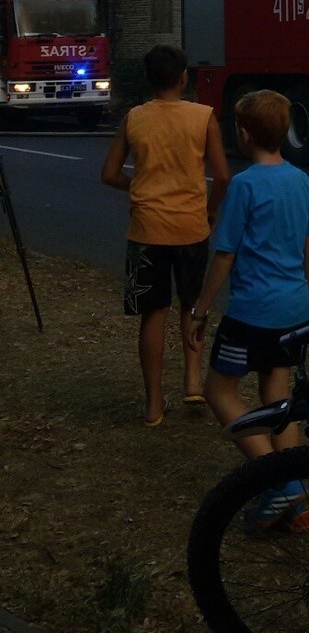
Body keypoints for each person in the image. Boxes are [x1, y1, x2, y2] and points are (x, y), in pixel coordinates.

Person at [187, 89, 309, 530]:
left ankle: (282, 487)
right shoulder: (300, 180)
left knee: (219, 392)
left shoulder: (243, 185)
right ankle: (297, 500)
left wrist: (200, 310)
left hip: (251, 314)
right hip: (294, 310)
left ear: (243, 135)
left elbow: (224, 256)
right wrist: (300, 293)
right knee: (276, 395)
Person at [101, 44, 230, 427]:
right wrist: (209, 209)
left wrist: (139, 185)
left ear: (148, 79)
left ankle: (154, 403)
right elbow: (222, 176)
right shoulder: (203, 116)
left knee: (152, 314)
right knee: (192, 304)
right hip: (190, 226)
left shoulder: (134, 119)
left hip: (146, 230)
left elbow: (108, 173)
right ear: (183, 77)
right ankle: (192, 379)